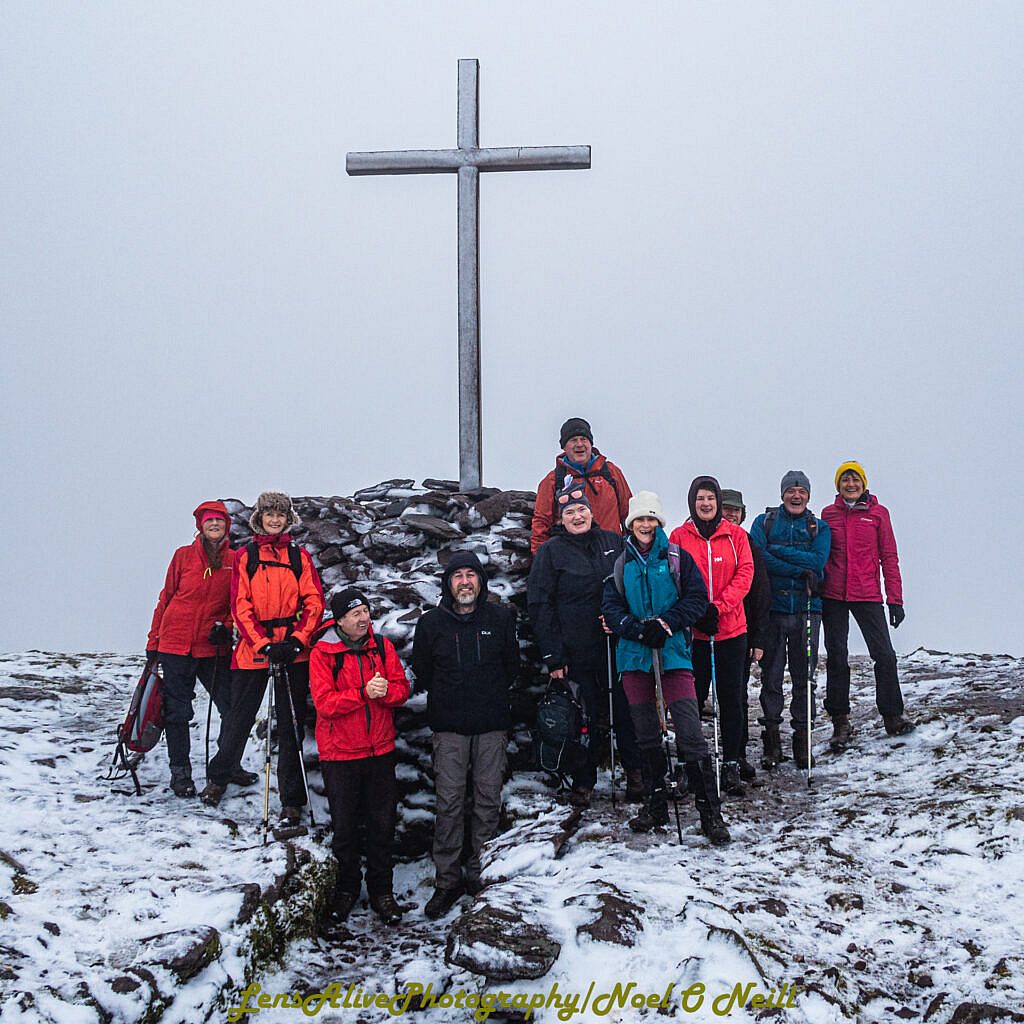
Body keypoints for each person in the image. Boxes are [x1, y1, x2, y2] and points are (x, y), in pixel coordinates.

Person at [601, 491, 730, 844]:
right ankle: (655, 805)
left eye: (651, 519)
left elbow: (696, 599)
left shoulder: (677, 557)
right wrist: (637, 628)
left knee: (689, 731)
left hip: (673, 653)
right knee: (645, 732)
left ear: (659, 523)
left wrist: (667, 624)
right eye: (639, 519)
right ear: (631, 524)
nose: (645, 524)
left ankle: (709, 813)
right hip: (633, 655)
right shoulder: (619, 562)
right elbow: (611, 606)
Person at [200, 492, 324, 824]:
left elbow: (314, 601)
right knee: (239, 718)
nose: (274, 519)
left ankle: (291, 800)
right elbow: (240, 605)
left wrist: (298, 641)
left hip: (293, 652)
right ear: (260, 517)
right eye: (269, 513)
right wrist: (263, 644)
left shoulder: (300, 557)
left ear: (288, 519)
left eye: (280, 514)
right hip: (254, 651)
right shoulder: (245, 555)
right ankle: (218, 778)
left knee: (290, 725)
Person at [411, 551, 519, 919]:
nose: (465, 582)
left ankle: (480, 874)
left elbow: (511, 667)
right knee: (449, 803)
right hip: (449, 728)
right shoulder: (431, 624)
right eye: (458, 576)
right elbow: (422, 670)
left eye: (471, 575)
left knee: (488, 800)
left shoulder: (500, 619)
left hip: (491, 725)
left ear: (481, 581)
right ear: (448, 583)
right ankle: (447, 881)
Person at [527, 483, 643, 806]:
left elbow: (633, 585)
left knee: (627, 711)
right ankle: (584, 780)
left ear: (592, 512)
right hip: (575, 652)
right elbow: (539, 604)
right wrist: (553, 656)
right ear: (561, 518)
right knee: (584, 719)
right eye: (570, 512)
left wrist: (623, 618)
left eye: (582, 510)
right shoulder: (551, 551)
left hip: (616, 646)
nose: (577, 517)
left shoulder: (614, 542)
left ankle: (635, 774)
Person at [309, 589, 411, 926]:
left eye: (366, 611)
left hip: (379, 750)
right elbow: (324, 704)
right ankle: (347, 890)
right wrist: (363, 694)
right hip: (340, 755)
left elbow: (401, 689)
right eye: (356, 614)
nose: (364, 618)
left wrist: (386, 695)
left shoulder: (382, 647)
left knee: (382, 825)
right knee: (346, 828)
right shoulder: (323, 653)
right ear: (339, 620)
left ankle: (383, 892)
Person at [146, 500, 241, 797]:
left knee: (231, 707)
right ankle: (181, 773)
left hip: (212, 647)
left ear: (227, 526)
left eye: (220, 521)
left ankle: (227, 764)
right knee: (177, 711)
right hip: (175, 643)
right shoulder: (183, 556)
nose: (215, 526)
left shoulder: (236, 560)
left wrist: (224, 626)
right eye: (209, 521)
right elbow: (167, 598)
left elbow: (238, 602)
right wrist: (154, 641)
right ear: (200, 526)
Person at [820, 460, 915, 747]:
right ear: (838, 485)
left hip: (868, 593)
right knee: (837, 657)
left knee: (884, 655)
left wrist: (895, 599)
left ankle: (892, 716)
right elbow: (820, 554)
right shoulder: (828, 515)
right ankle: (840, 722)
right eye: (845, 480)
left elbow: (890, 557)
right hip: (834, 595)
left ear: (864, 483)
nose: (850, 485)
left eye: (855, 480)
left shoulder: (878, 514)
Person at [669, 477, 754, 797]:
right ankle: (688, 765)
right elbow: (673, 577)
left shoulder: (737, 536)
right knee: (688, 702)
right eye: (700, 498)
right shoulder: (678, 536)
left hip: (731, 630)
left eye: (710, 498)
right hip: (692, 634)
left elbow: (745, 574)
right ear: (692, 502)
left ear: (718, 502)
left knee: (732, 699)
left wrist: (718, 608)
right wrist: (694, 610)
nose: (706, 503)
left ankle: (731, 762)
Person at [750, 472, 831, 769]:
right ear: (782, 493)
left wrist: (777, 553)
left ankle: (802, 740)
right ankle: (771, 741)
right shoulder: (764, 522)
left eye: (801, 491)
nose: (796, 496)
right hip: (772, 611)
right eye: (791, 491)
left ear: (808, 495)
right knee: (770, 677)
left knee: (804, 678)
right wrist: (799, 568)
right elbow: (760, 558)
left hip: (809, 610)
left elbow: (818, 562)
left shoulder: (820, 528)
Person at [720, 488, 771, 781]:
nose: (731, 514)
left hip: (741, 632)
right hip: (706, 633)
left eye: (736, 510)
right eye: (726, 508)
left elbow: (761, 595)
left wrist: (758, 639)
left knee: (737, 697)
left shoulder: (749, 545)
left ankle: (737, 755)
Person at [530, 417, 632, 554]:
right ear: (564, 447)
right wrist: (540, 560)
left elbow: (629, 512)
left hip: (611, 551)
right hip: (571, 557)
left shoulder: (611, 472)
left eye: (583, 439)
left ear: (591, 443)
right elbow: (541, 522)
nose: (579, 444)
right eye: (573, 440)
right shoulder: (553, 480)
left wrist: (632, 551)